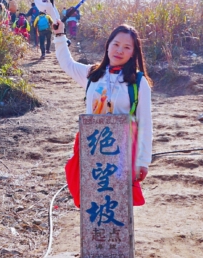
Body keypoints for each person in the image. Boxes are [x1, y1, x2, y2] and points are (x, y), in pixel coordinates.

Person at [53, 21, 153, 206]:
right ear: (108, 45)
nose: (119, 50)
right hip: (92, 148)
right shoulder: (93, 74)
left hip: (121, 152)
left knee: (116, 203)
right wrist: (59, 35)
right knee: (94, 201)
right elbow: (67, 63)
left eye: (126, 47)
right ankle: (96, 235)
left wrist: (143, 160)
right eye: (115, 44)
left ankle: (115, 235)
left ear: (133, 53)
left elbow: (145, 123)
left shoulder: (138, 83)